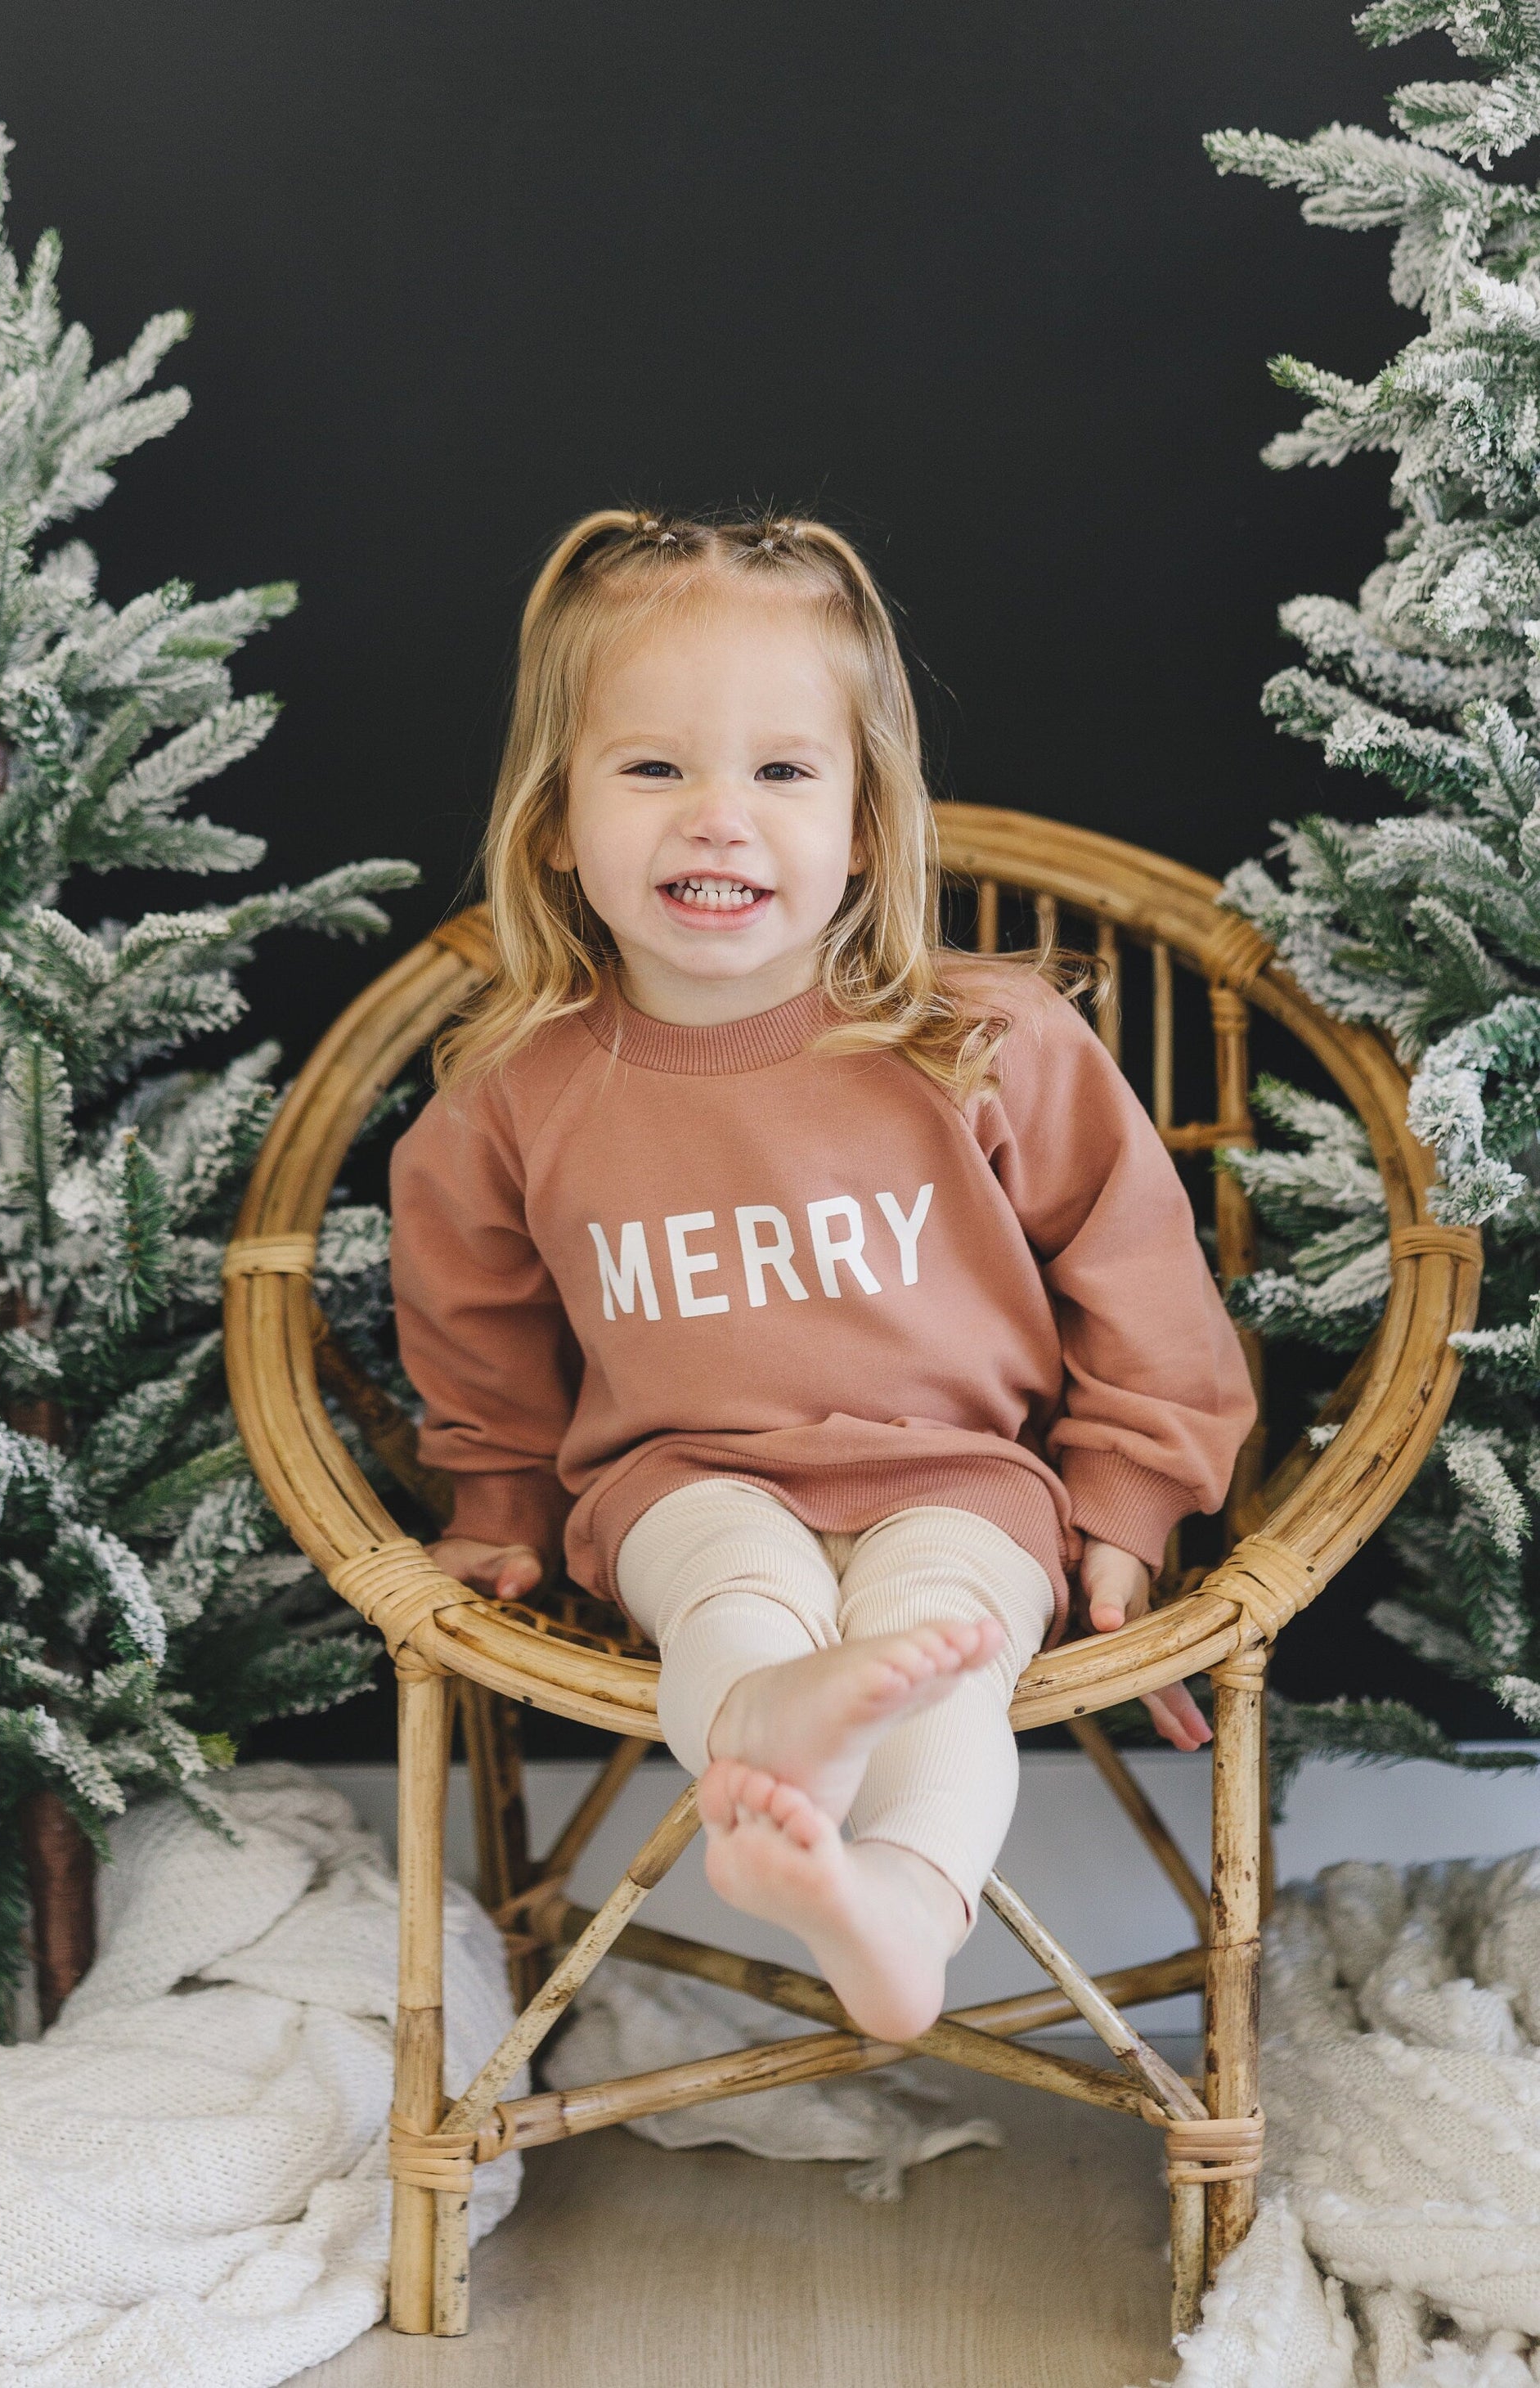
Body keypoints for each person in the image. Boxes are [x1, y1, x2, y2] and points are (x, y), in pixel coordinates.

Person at [388, 507, 1258, 2043]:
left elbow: (1138, 1280)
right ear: (554, 821)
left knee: (951, 1645)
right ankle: (771, 1721)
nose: (717, 821)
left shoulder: (980, 1042)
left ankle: (899, 1907)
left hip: (964, 1473)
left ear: (862, 822)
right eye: (653, 769)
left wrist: (1126, 1501)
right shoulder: (514, 1096)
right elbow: (478, 1329)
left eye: (783, 774)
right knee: (727, 1591)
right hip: (683, 1473)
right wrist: (498, 1508)